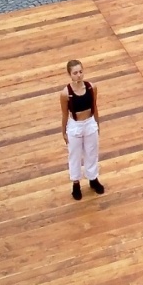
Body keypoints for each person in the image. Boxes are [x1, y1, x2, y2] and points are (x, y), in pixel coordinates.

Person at [59, 60, 105, 201]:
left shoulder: (91, 87)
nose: (78, 75)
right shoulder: (65, 93)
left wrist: (97, 124)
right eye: (75, 73)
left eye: (80, 71)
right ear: (70, 74)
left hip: (89, 123)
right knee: (75, 155)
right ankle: (76, 184)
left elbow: (94, 107)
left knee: (92, 152)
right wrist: (64, 131)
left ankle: (93, 179)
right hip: (75, 126)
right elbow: (65, 114)